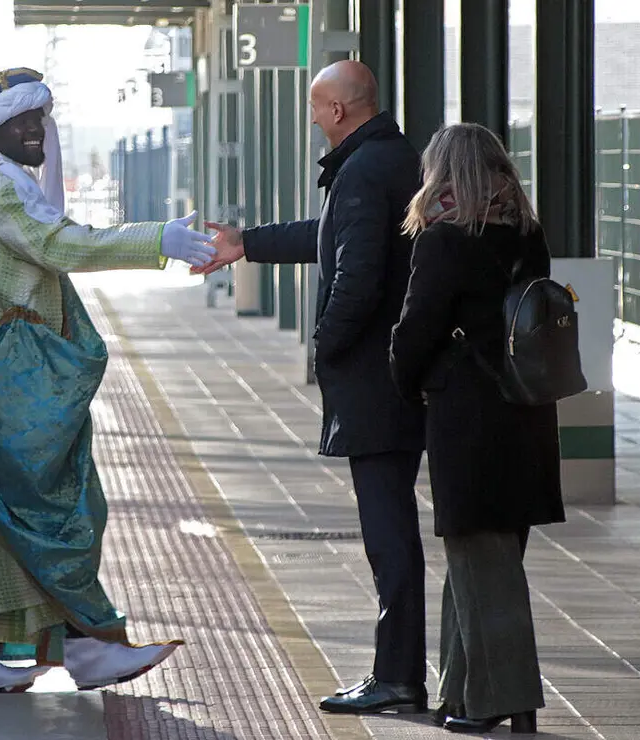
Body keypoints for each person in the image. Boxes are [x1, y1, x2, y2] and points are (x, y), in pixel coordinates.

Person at [0, 67, 216, 695]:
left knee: (1, 520)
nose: (36, 131)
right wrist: (161, 240)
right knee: (51, 510)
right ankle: (76, 645)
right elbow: (61, 245)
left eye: (39, 119)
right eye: (22, 121)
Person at [196, 60, 428, 715]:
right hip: (397, 374)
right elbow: (330, 240)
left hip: (375, 382)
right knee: (394, 531)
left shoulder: (360, 173)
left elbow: (355, 278)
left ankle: (398, 677)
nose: (310, 119)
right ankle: (401, 671)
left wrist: (323, 347)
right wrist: (247, 244)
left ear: (337, 112)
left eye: (314, 107)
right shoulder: (391, 159)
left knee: (388, 535)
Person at [389, 122, 566, 734]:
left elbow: (417, 328)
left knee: (480, 558)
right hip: (527, 407)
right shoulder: (525, 231)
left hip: (468, 414)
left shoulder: (444, 238)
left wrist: (403, 380)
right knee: (482, 555)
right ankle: (460, 693)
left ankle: (506, 701)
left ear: (443, 171)